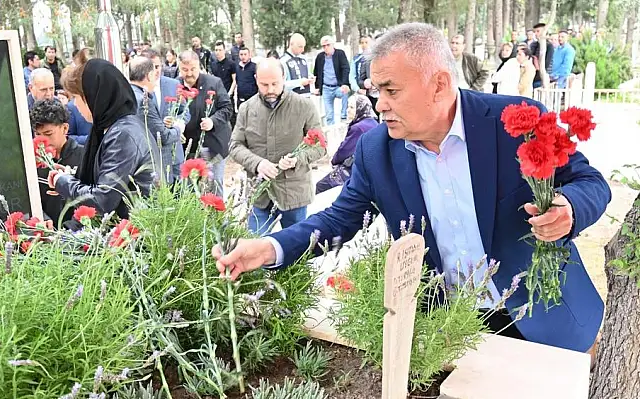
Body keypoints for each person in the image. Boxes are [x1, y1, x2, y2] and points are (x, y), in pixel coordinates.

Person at [213, 22, 611, 357]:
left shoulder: (515, 122)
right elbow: (339, 217)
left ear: (438, 84)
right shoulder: (376, 149)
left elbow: (589, 183)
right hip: (450, 329)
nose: (379, 103)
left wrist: (569, 209)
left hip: (546, 321)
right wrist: (270, 248)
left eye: (391, 90)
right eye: (376, 90)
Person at [48, 58, 159, 219]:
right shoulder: (117, 127)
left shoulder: (123, 134)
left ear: (94, 97)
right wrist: (70, 177)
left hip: (135, 233)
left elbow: (102, 199)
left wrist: (63, 182)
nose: (74, 105)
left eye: (76, 97)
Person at [230, 58, 326, 235]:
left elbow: (321, 147)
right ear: (256, 79)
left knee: (295, 252)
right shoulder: (246, 109)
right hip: (259, 195)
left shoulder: (304, 106)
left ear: (284, 78)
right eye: (264, 84)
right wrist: (257, 164)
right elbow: (235, 146)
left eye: (275, 83)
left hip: (294, 195)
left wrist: (298, 159)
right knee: (255, 249)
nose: (270, 90)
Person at [177, 50, 234, 197]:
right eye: (185, 70)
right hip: (186, 147)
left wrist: (212, 121)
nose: (189, 74)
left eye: (193, 69)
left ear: (199, 67)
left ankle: (218, 218)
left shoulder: (214, 83)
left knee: (214, 185)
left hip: (213, 144)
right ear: (179, 67)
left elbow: (227, 108)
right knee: (189, 188)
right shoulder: (174, 85)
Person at [29, 99, 83, 225]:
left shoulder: (84, 157)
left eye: (48, 134)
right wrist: (43, 218)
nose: (43, 140)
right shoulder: (32, 163)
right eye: (38, 134)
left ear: (64, 128)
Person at [142, 49, 191, 183]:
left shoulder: (173, 84)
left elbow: (185, 111)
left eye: (158, 66)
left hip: (174, 154)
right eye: (151, 67)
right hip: (151, 156)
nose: (156, 71)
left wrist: (177, 123)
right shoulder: (139, 89)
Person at [315, 94, 377, 194]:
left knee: (320, 187)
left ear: (360, 108)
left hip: (359, 169)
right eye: (348, 106)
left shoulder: (359, 128)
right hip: (370, 168)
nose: (348, 110)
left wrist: (333, 161)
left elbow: (344, 150)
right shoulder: (373, 122)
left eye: (352, 107)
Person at [314, 35, 351, 126]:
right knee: (329, 114)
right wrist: (317, 87)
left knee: (345, 92)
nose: (326, 48)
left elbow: (346, 68)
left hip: (338, 86)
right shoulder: (320, 57)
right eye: (324, 46)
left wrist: (344, 83)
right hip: (326, 87)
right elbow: (317, 72)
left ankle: (344, 116)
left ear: (332, 45)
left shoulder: (340, 54)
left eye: (328, 45)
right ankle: (331, 132)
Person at [530, 23, 555, 88]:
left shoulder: (549, 46)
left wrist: (536, 62)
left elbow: (546, 64)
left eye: (538, 31)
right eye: (534, 32)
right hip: (532, 75)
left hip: (542, 78)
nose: (535, 34)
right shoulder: (534, 45)